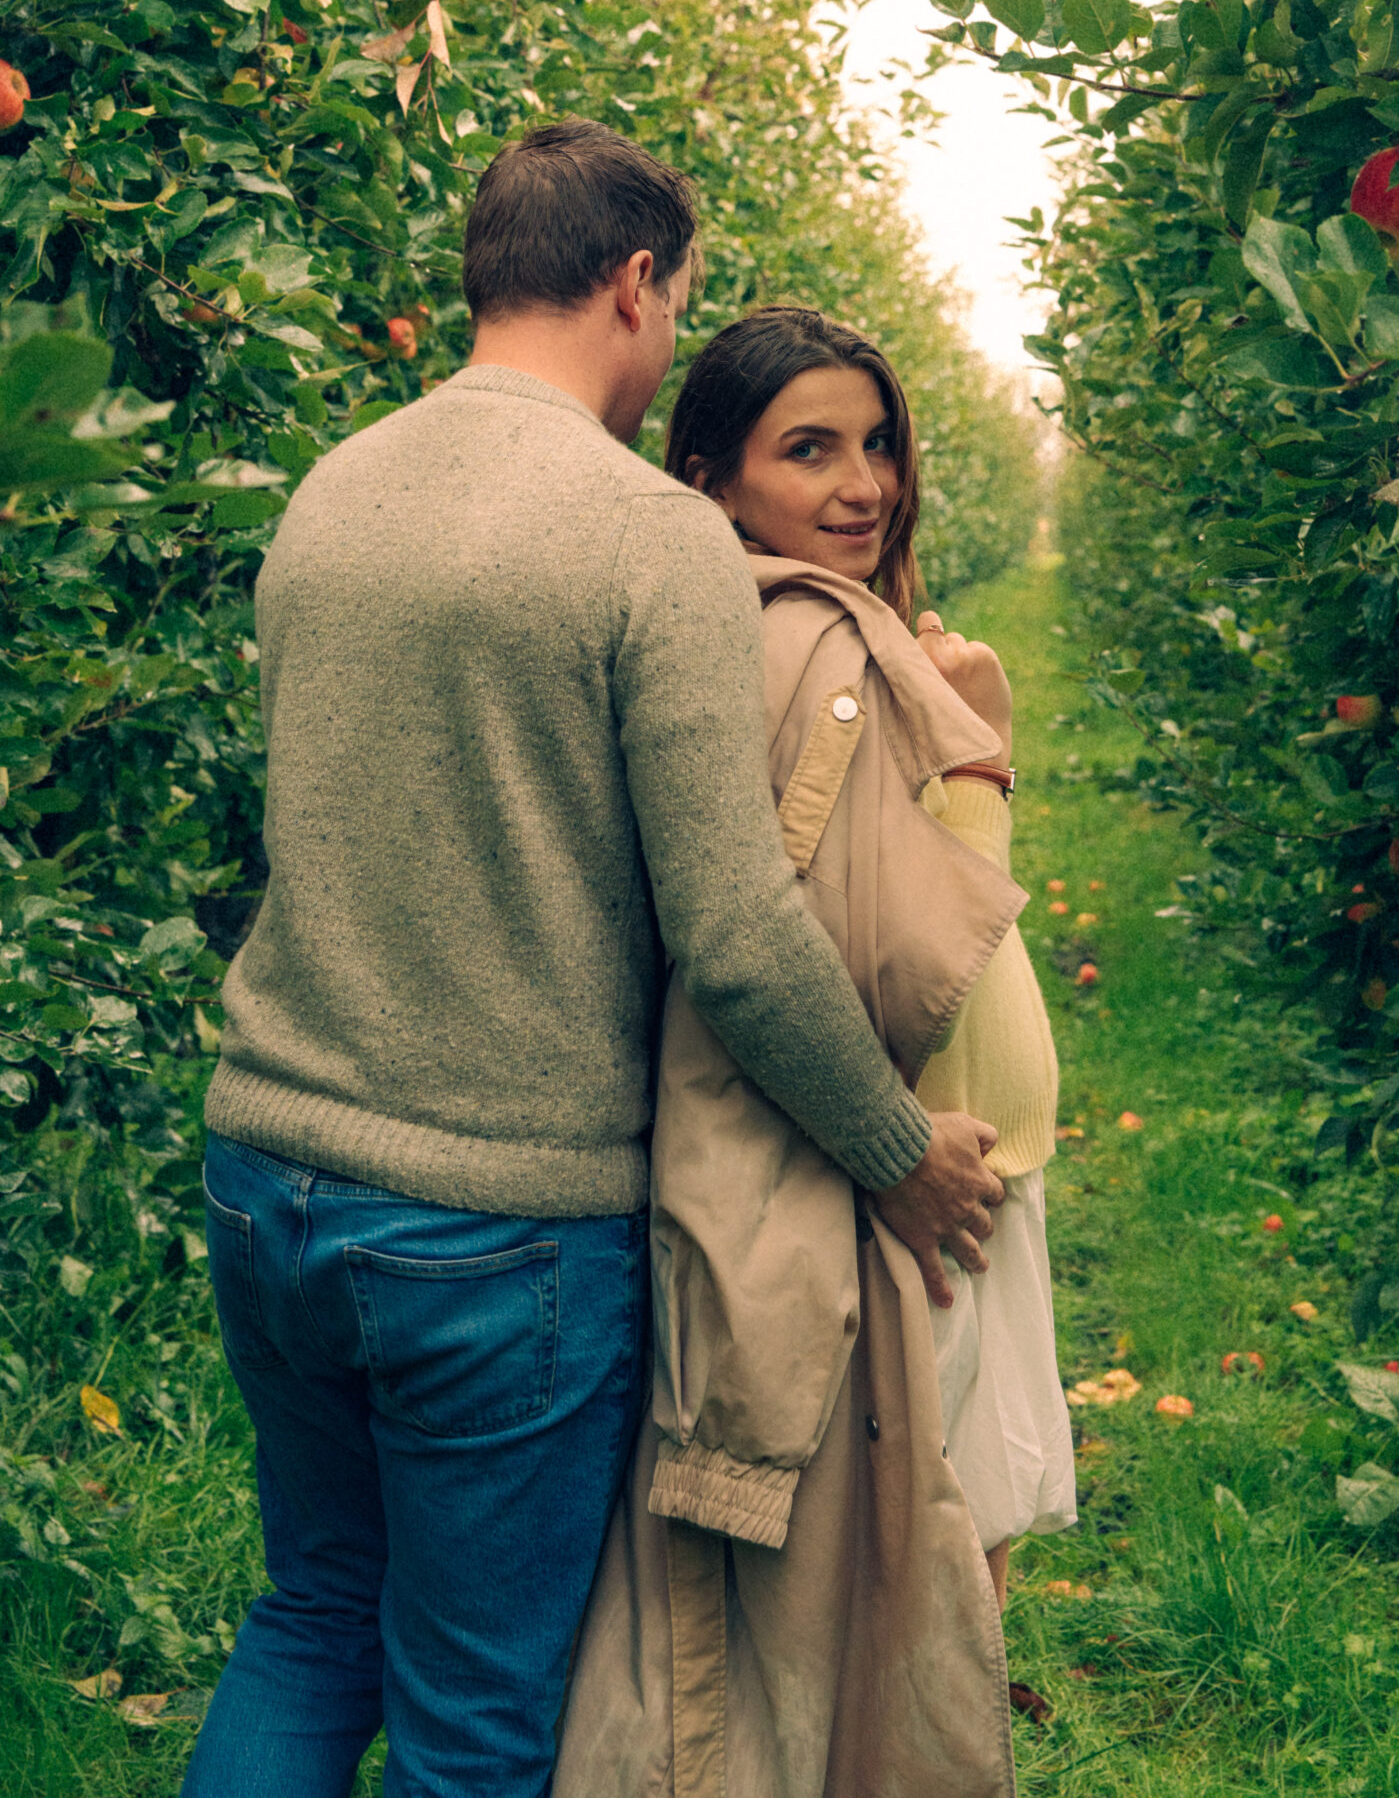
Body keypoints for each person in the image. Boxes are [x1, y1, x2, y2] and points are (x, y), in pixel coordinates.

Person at [182, 126, 1005, 1798]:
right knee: (478, 1715)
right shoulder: (648, 536)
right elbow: (741, 932)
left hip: (267, 1170)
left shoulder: (335, 491)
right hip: (492, 1229)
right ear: (639, 283)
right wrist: (894, 1149)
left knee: (315, 1616)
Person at [556, 305, 1073, 1798]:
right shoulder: (796, 644)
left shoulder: (856, 640)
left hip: (962, 1163)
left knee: (952, 1547)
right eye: (811, 451)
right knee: (913, 1569)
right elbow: (852, 953)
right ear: (711, 480)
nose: (866, 485)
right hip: (900, 1171)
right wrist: (980, 760)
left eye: (879, 445)